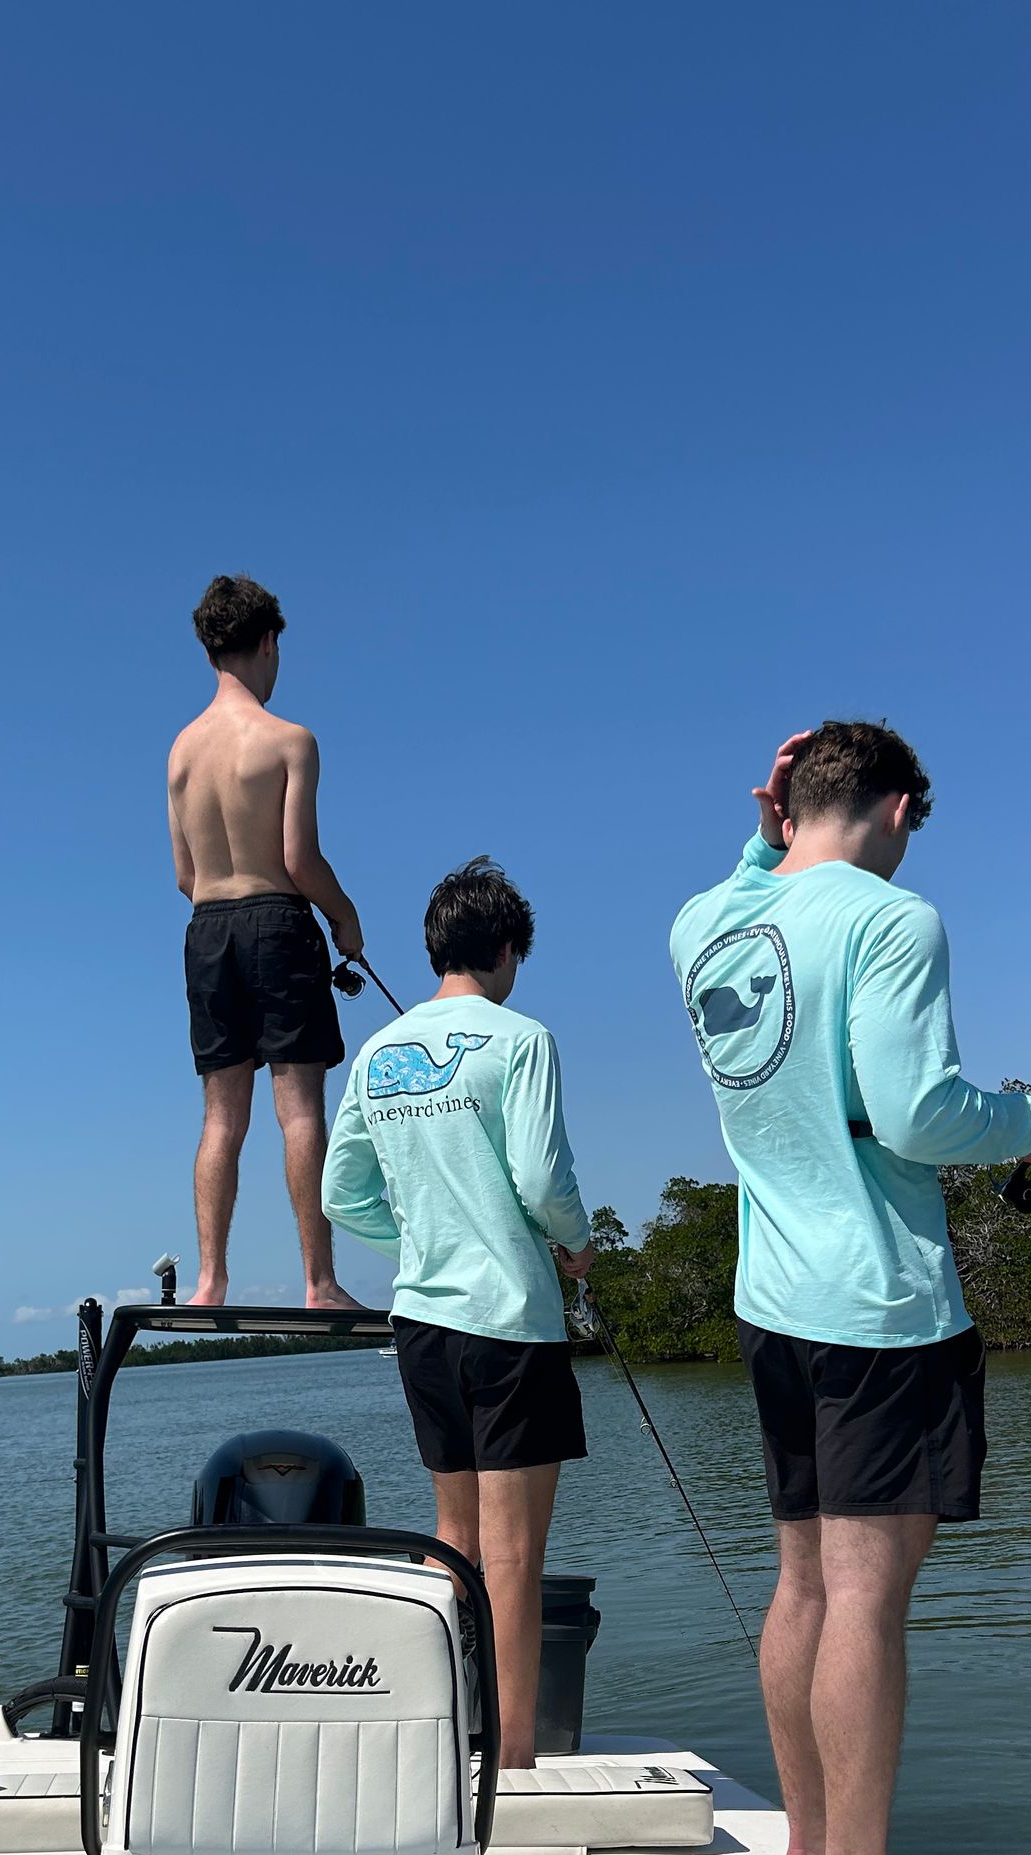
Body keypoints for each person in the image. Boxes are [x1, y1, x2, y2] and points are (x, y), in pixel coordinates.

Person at [670, 722, 1031, 1855]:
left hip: (773, 1304)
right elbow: (915, 1113)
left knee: (802, 1578)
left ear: (788, 804)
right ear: (904, 806)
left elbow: (749, 880)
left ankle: (806, 1846)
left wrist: (763, 826)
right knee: (866, 1596)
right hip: (881, 1308)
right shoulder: (895, 921)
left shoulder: (705, 926)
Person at [322, 859, 594, 1767]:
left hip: (423, 1323)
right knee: (514, 1555)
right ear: (508, 950)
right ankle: (512, 1760)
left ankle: (442, 1739)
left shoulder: (378, 1054)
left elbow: (340, 1195)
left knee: (453, 1542)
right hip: (511, 1317)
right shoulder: (521, 1039)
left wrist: (419, 1242)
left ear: (437, 948)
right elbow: (543, 1181)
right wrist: (577, 1243)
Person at [168, 574, 366, 1310]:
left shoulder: (181, 753)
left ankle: (210, 1281)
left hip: (208, 929)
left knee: (221, 1116)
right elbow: (298, 862)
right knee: (300, 1111)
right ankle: (319, 1281)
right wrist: (345, 917)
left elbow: (184, 876)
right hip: (278, 924)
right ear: (269, 641)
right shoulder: (289, 741)